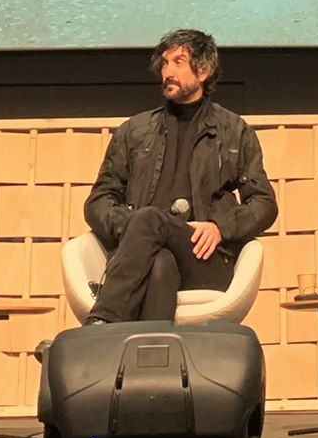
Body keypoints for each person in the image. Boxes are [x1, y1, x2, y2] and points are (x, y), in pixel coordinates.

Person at [82, 30, 277, 323]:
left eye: (178, 62)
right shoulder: (135, 131)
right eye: (164, 64)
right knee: (160, 261)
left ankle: (101, 323)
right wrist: (135, 228)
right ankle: (155, 364)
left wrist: (220, 227)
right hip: (145, 256)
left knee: (150, 221)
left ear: (204, 71)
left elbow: (264, 204)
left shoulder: (233, 131)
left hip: (205, 258)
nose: (167, 72)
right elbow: (98, 202)